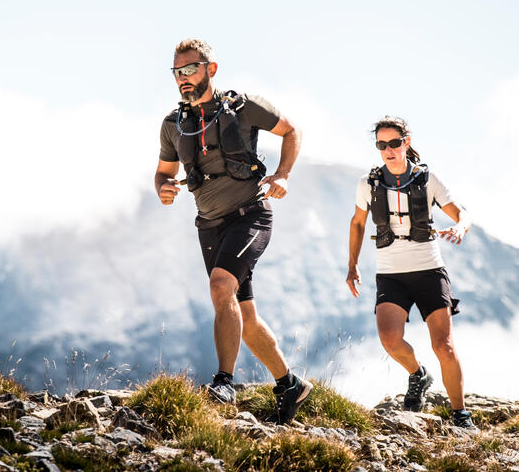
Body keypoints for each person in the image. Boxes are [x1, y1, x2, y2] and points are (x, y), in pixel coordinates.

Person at [154, 38, 312, 424]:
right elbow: (162, 172)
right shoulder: (173, 125)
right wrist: (163, 188)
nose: (183, 79)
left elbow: (292, 132)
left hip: (249, 216)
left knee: (220, 287)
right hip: (209, 225)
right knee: (244, 315)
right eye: (177, 72)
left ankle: (224, 381)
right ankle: (290, 384)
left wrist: (284, 176)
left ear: (211, 68)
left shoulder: (244, 107)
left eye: (190, 69)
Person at [346, 116, 477, 430]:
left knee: (443, 346)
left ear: (405, 142)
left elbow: (462, 211)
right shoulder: (368, 184)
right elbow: (358, 223)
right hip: (390, 273)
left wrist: (460, 227)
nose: (388, 150)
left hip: (429, 270)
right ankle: (418, 374)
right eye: (382, 145)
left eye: (394, 143)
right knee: (390, 340)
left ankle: (461, 416)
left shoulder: (427, 179)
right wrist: (351, 266)